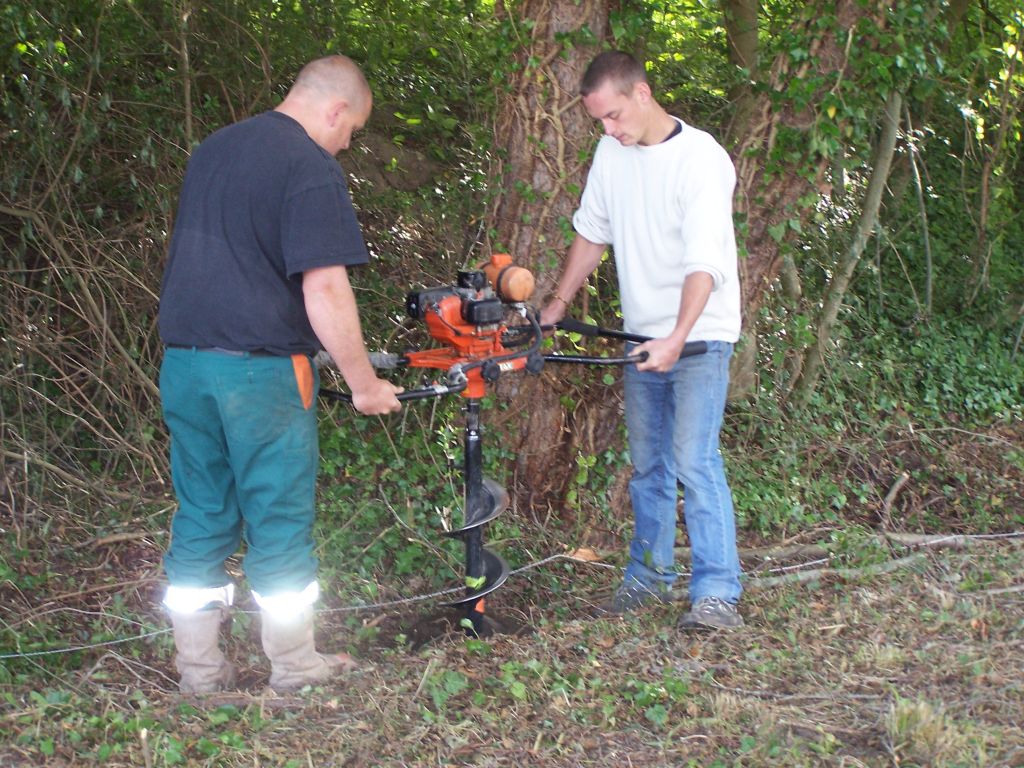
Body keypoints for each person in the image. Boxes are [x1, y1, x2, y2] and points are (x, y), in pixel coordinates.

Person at [157, 55, 404, 692]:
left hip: (185, 365)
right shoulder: (307, 164)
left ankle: (200, 673)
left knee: (203, 512)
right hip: (261, 376)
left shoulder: (214, 149)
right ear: (336, 109)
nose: (347, 146)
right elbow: (324, 286)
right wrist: (364, 383)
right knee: (278, 517)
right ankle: (295, 668)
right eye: (350, 132)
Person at [540, 51, 744, 630]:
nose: (608, 130)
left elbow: (705, 261)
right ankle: (649, 577)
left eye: (613, 116)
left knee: (694, 462)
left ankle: (717, 592)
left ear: (643, 94)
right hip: (641, 338)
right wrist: (556, 307)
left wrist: (678, 336)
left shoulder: (702, 160)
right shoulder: (612, 153)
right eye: (600, 121)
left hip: (699, 335)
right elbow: (591, 232)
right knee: (648, 466)